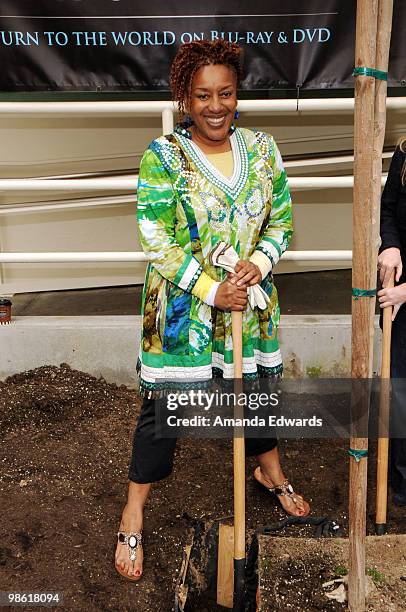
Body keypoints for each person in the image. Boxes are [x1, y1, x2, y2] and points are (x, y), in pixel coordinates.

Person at [115, 39, 310, 581]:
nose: (216, 106)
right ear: (184, 98)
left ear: (237, 93)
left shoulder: (264, 149)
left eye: (225, 93)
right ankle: (134, 510)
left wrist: (259, 264)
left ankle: (269, 472)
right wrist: (210, 289)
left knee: (258, 396)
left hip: (250, 305)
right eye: (203, 95)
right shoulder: (164, 158)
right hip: (184, 315)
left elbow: (282, 223)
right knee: (164, 413)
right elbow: (156, 238)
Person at [377, 138, 406, 508]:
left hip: (403, 293)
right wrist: (391, 245)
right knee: (399, 385)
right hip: (397, 287)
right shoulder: (404, 152)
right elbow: (387, 208)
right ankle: (400, 473)